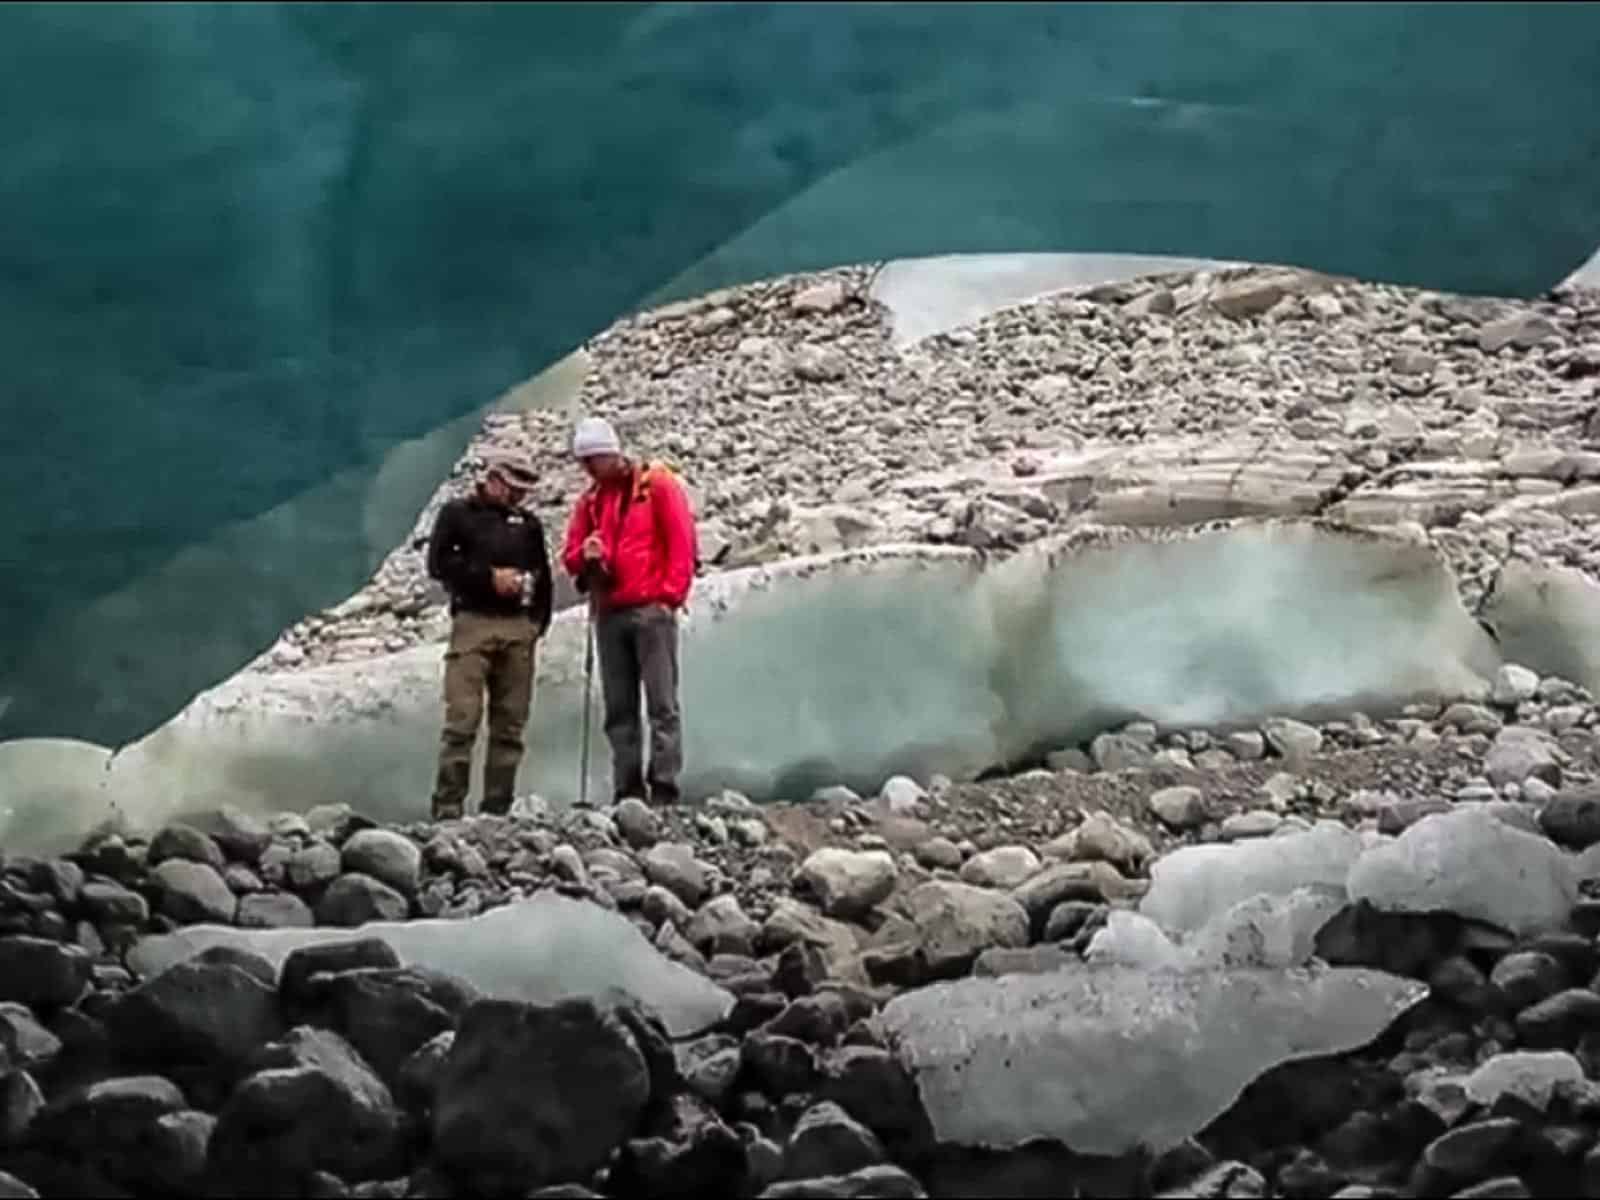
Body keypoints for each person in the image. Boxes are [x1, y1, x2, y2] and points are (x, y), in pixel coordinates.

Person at [561, 416, 697, 806]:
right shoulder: (590, 503)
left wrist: (668, 596)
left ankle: (664, 785)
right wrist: (585, 557)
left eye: (593, 460)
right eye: (583, 461)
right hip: (610, 611)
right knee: (619, 707)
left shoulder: (656, 487)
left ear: (611, 454)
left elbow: (681, 542)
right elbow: (570, 556)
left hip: (649, 610)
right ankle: (628, 787)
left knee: (661, 704)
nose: (588, 469)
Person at [425, 451, 553, 819]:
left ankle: (497, 807)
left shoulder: (529, 525)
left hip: (518, 629)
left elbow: (541, 573)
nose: (518, 499)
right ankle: (448, 807)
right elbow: (438, 564)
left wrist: (535, 625)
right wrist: (487, 578)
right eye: (512, 490)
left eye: (523, 493)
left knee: (510, 724)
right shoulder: (457, 514)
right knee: (462, 719)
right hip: (472, 623)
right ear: (493, 480)